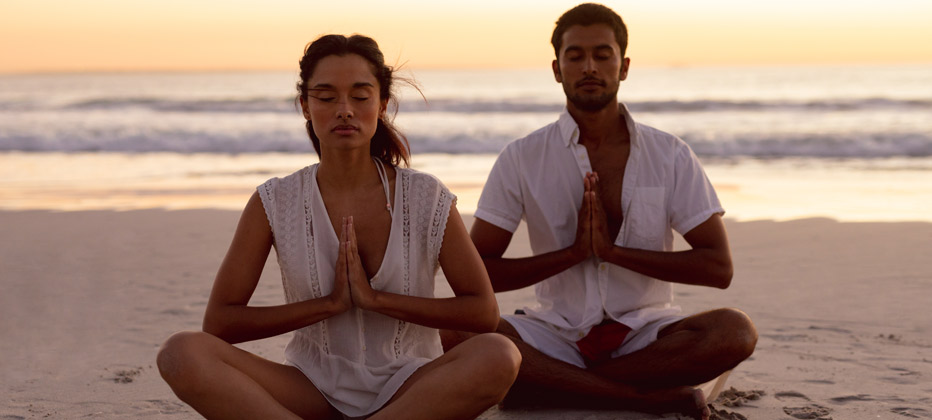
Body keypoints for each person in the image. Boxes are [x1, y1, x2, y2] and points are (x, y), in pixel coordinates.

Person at [156, 34, 521, 420]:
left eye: (360, 97)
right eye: (326, 97)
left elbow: (482, 313)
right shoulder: (275, 201)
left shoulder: (426, 196)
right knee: (181, 353)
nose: (344, 110)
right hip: (310, 389)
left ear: (382, 104)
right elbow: (220, 322)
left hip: (410, 389)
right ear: (305, 106)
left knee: (499, 355)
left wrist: (376, 300)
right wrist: (328, 306)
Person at [441, 4, 757, 420]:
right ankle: (635, 397)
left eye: (602, 55)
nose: (589, 66)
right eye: (575, 56)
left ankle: (555, 384)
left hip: (646, 334)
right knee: (458, 331)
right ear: (557, 69)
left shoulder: (670, 154)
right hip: (555, 333)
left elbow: (719, 269)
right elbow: (480, 273)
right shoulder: (522, 157)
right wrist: (572, 255)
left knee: (734, 331)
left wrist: (613, 253)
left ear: (623, 67)